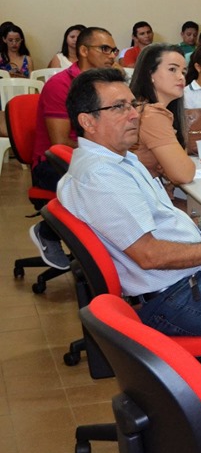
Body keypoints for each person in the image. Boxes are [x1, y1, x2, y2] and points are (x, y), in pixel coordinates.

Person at [59, 67, 201, 337]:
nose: (134, 115)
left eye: (132, 104)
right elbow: (150, 255)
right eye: (118, 107)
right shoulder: (100, 176)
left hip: (197, 277)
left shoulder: (121, 159)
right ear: (88, 122)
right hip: (175, 297)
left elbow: (159, 222)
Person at [28, 26, 120, 270]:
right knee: (106, 184)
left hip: (95, 157)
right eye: (105, 49)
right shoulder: (60, 85)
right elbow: (59, 142)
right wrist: (108, 145)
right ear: (83, 51)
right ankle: (49, 231)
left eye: (114, 50)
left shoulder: (105, 86)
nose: (112, 55)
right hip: (53, 163)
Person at [129, 44, 195, 187]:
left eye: (183, 72)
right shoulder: (152, 115)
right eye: (172, 69)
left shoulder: (142, 108)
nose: (181, 77)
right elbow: (184, 174)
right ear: (150, 74)